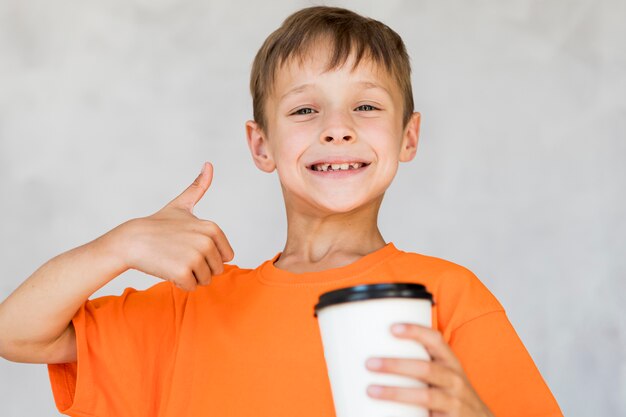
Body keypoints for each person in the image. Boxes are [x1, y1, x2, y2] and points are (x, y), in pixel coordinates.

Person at [0, 6, 563, 417]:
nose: (336, 126)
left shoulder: (449, 297)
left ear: (408, 137)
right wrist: (118, 246)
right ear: (261, 145)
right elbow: (17, 333)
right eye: (304, 108)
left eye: (366, 106)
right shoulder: (193, 308)